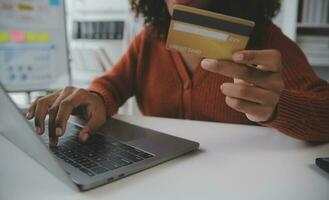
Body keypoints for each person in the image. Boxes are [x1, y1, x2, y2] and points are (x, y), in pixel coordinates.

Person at [26, 0, 329, 146]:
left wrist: (278, 108)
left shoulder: (267, 42)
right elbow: (111, 86)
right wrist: (95, 97)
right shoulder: (150, 39)